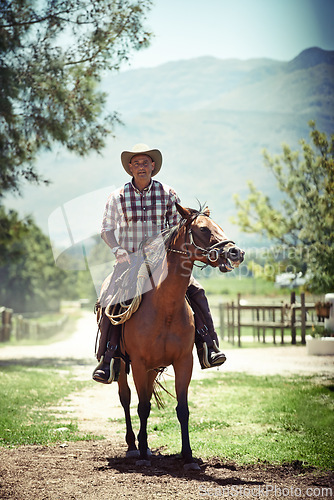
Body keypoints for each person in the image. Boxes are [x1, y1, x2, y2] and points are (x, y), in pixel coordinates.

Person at [92, 143, 226, 384]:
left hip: (164, 262)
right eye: (136, 163)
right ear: (130, 168)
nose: (141, 167)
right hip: (129, 261)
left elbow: (180, 227)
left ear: (153, 166)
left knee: (197, 290)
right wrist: (117, 249)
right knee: (109, 296)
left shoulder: (168, 194)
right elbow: (106, 229)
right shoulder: (117, 197)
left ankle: (209, 345)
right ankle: (108, 357)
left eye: (145, 163)